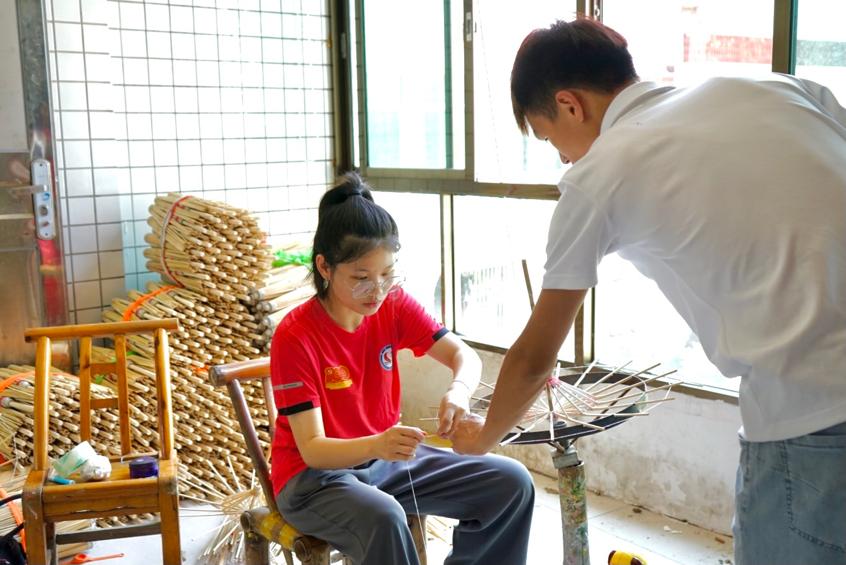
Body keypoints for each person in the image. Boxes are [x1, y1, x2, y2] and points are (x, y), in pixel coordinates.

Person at [450, 17, 846, 565]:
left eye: (550, 138)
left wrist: (482, 438)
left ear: (569, 105)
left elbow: (535, 359)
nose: (562, 157)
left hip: (813, 417)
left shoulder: (600, 173)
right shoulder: (778, 88)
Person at [269, 172, 534, 565]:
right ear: (324, 267)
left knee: (512, 484)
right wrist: (377, 444)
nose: (377, 290)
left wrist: (459, 391)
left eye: (387, 274)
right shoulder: (296, 336)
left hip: (384, 462)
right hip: (314, 482)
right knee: (386, 519)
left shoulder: (392, 304)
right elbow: (313, 450)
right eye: (361, 278)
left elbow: (465, 356)